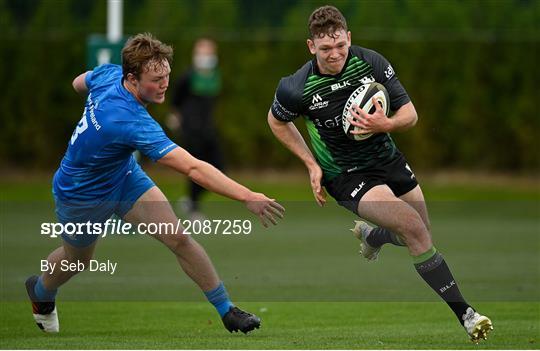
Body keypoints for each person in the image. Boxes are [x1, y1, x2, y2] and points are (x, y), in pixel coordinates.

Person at [25, 33, 284, 335]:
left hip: (124, 178)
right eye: (156, 79)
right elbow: (192, 167)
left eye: (167, 76)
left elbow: (78, 83)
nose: (164, 84)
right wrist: (246, 196)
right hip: (79, 194)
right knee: (77, 261)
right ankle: (40, 292)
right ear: (132, 78)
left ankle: (227, 310)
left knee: (178, 237)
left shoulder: (110, 74)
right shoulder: (130, 121)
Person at [267, 6, 492, 343]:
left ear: (349, 38)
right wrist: (311, 164)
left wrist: (384, 124)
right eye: (326, 48)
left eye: (340, 45)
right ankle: (467, 315)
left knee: (418, 234)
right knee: (414, 228)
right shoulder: (296, 87)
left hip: (387, 160)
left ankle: (374, 237)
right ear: (311, 46)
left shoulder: (370, 62)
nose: (335, 54)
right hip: (345, 174)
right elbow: (276, 121)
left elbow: (410, 114)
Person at [168, 38, 224, 219]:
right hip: (191, 129)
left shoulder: (215, 76)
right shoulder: (188, 76)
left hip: (207, 129)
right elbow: (176, 99)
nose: (205, 56)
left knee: (219, 167)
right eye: (202, 52)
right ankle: (193, 208)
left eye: (208, 53)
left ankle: (190, 200)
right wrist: (175, 116)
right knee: (196, 167)